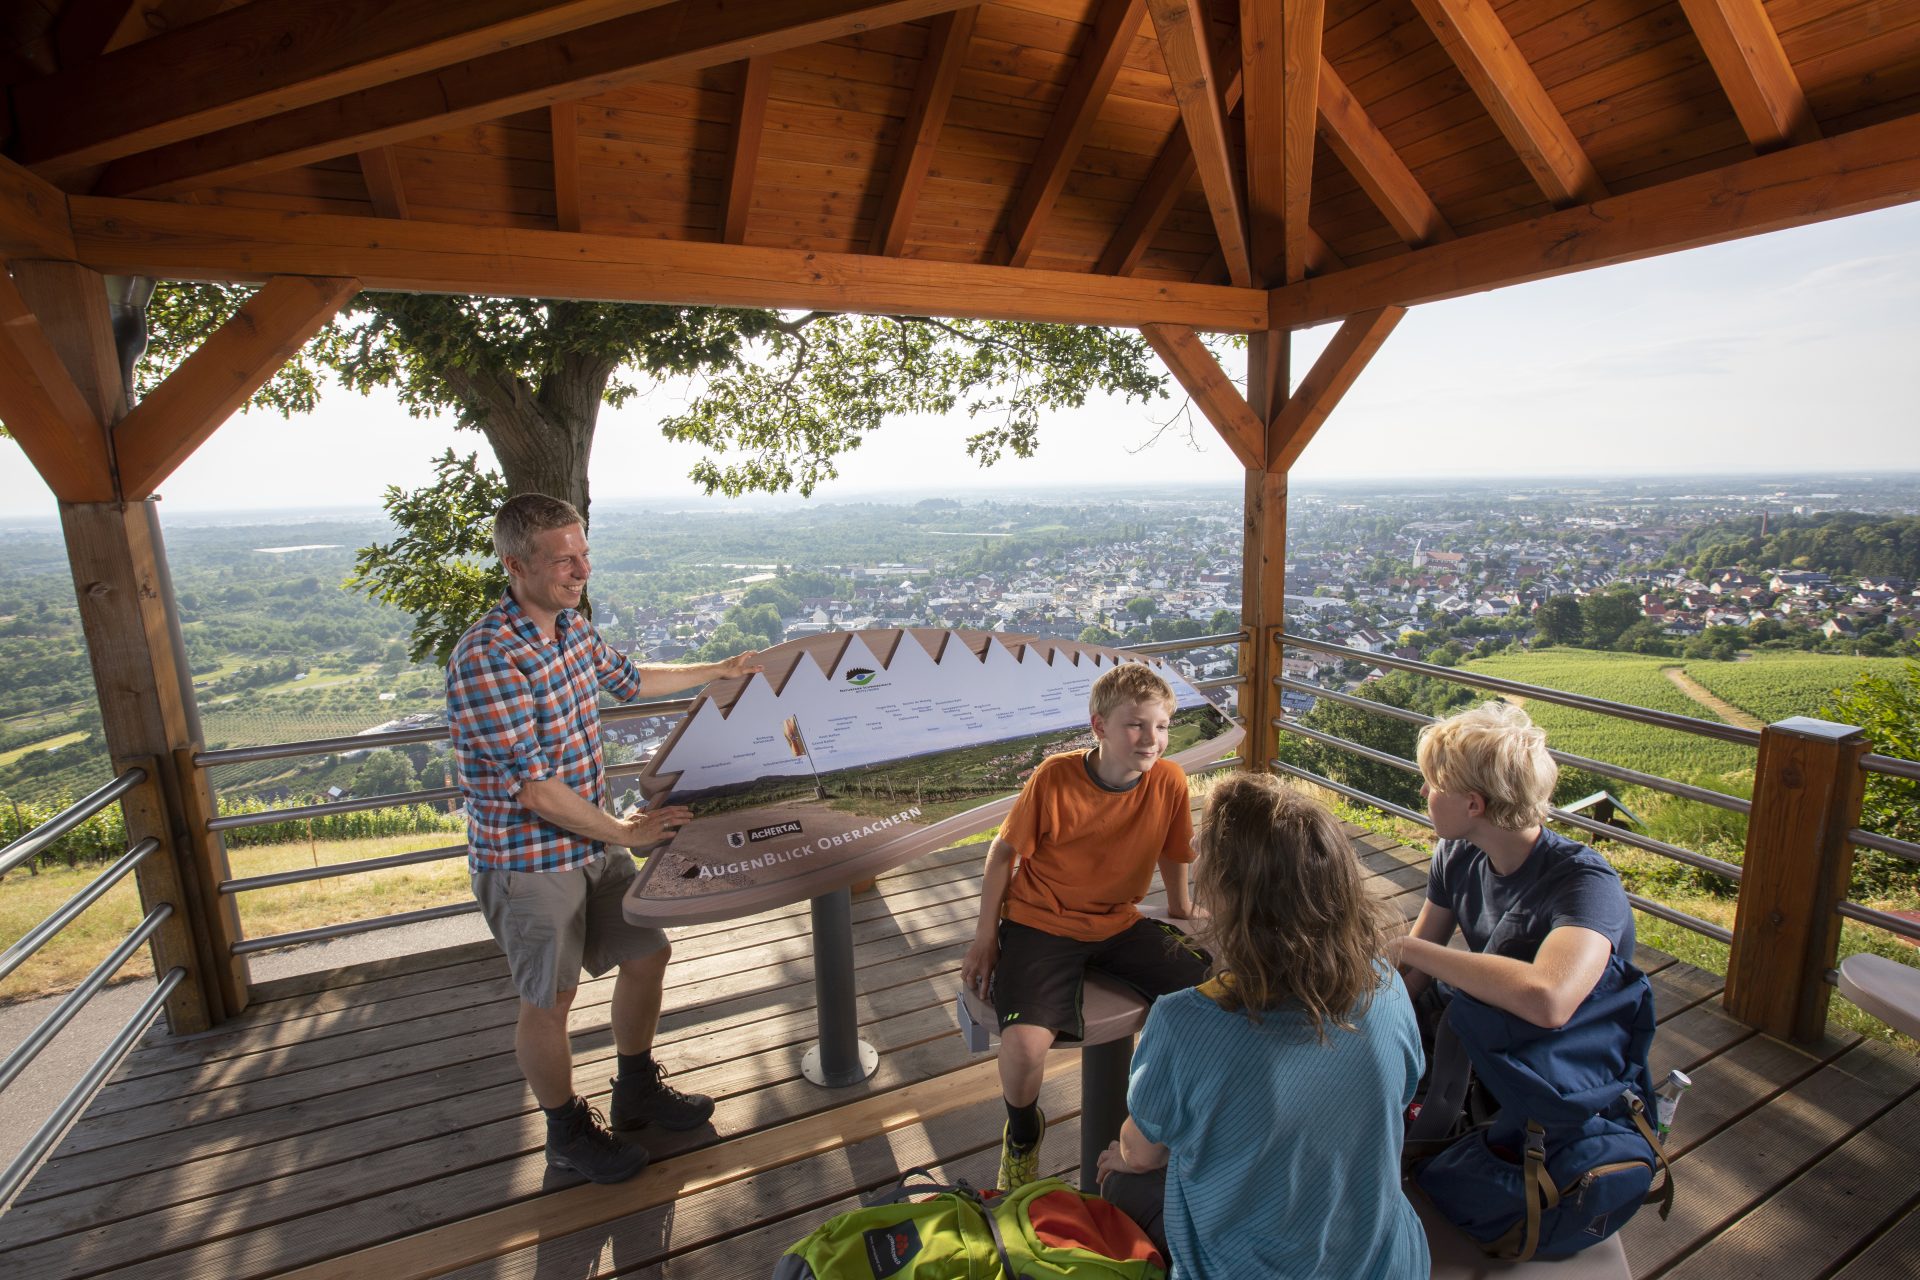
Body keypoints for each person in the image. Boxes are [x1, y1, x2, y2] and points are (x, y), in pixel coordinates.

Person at [447, 493, 759, 1184]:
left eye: (584, 554)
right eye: (564, 559)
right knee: (549, 1002)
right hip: (528, 861)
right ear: (515, 564)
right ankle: (565, 1132)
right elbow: (531, 787)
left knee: (648, 953)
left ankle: (636, 1087)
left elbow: (631, 678)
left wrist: (720, 671)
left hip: (594, 843)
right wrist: (624, 829)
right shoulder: (488, 657)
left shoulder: (571, 630)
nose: (581, 569)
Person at [1095, 775, 1428, 1278]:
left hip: (1248, 1269)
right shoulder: (1383, 981)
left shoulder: (1186, 1021)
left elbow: (1140, 1152)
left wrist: (1122, 1157)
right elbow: (1400, 1092)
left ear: (1230, 899)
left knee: (1117, 1178)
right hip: (1388, 1261)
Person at [960, 660, 1206, 1192]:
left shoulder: (1169, 780)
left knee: (1207, 997)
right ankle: (1023, 1135)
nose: (1152, 739)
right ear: (1100, 727)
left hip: (1118, 921)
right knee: (1024, 1045)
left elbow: (1174, 851)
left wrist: (1182, 908)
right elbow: (1002, 856)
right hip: (1040, 923)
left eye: (1161, 726)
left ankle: (1158, 1118)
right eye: (1136, 725)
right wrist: (985, 937)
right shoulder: (1055, 776)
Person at [1391, 700, 1635, 1029]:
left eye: (1433, 784)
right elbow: (1415, 971)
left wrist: (1406, 947)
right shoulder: (1457, 852)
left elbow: (1549, 1001)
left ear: (1473, 804)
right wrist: (1387, 1023)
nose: (1423, 791)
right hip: (1480, 1020)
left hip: (1545, 1055)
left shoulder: (1585, 882)